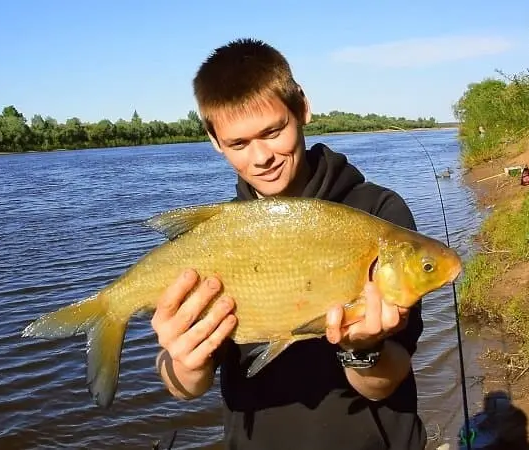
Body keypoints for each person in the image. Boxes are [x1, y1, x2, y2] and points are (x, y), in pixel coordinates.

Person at [150, 38, 427, 450]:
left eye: (273, 131)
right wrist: (185, 367)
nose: (261, 157)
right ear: (213, 140)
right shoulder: (213, 240)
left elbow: (381, 387)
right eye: (238, 144)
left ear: (302, 108)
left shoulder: (378, 215)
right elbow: (183, 386)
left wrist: (362, 349)